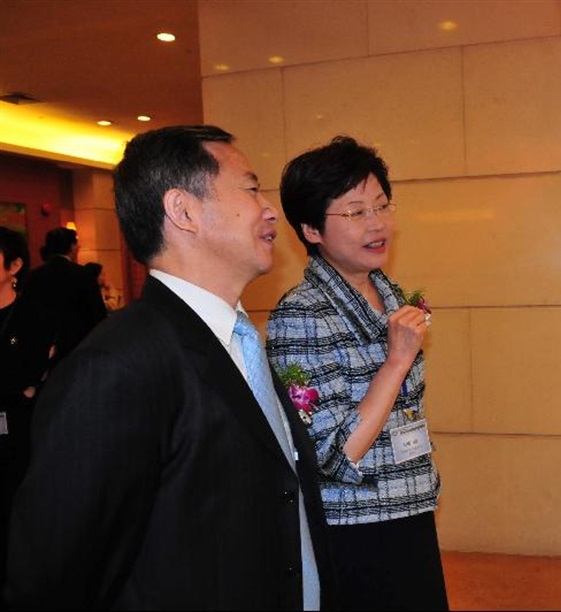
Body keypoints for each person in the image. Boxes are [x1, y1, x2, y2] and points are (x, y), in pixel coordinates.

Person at [5, 125, 336, 609]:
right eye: (250, 187)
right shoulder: (117, 367)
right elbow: (54, 576)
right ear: (183, 211)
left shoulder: (238, 340)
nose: (269, 208)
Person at [267, 135, 447, 610]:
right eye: (355, 212)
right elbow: (334, 453)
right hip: (356, 528)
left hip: (411, 505)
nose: (377, 223)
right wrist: (395, 361)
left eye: (382, 206)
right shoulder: (299, 316)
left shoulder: (390, 293)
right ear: (311, 229)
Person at [0, 227, 56, 604]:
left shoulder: (32, 316)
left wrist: (19, 389)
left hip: (19, 438)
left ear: (14, 266)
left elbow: (31, 376)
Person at [19, 226, 106, 366]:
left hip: (43, 350)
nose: (79, 247)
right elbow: (97, 316)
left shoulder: (34, 276)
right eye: (76, 243)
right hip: (78, 349)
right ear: (71, 247)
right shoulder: (83, 275)